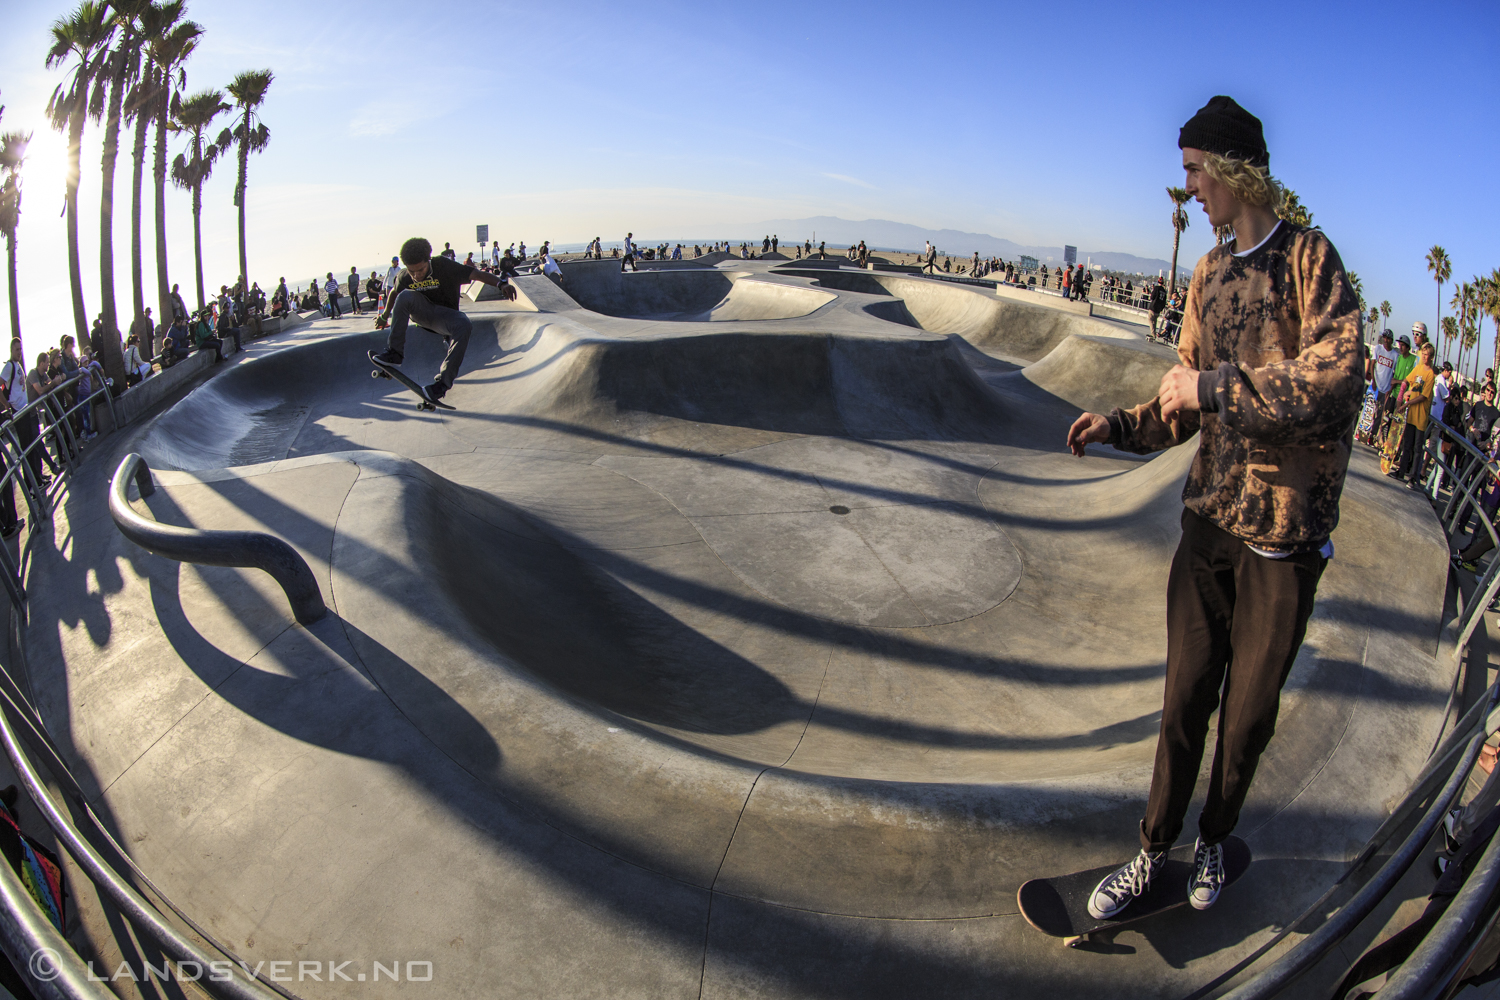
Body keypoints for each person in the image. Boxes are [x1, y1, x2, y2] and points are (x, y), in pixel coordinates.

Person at [1066, 95, 1362, 920]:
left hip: (1283, 541)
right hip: (1210, 525)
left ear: (1232, 169)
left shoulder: (1310, 261)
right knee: (1184, 701)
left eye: (1196, 170)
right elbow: (1181, 401)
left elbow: (1338, 388)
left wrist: (1217, 387)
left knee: (1246, 722)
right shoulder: (1208, 273)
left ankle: (1213, 842)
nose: (1189, 188)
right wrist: (1122, 424)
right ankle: (1151, 849)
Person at [371, 236, 510, 402]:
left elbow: (477, 274)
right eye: (411, 271)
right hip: (422, 315)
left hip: (446, 318)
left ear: (429, 260)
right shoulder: (404, 276)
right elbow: (394, 293)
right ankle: (394, 353)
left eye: (420, 270)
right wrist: (384, 316)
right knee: (404, 295)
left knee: (464, 323)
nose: (416, 275)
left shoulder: (444, 266)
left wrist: (501, 284)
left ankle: (441, 385)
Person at [1394, 343, 1436, 484]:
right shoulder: (1418, 369)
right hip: (1411, 415)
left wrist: (1407, 404)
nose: (1425, 357)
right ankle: (1401, 472)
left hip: (1421, 417)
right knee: (1407, 444)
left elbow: (1423, 396)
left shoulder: (1430, 375)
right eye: (1423, 354)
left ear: (1431, 357)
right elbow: (1407, 380)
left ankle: (1412, 477)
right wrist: (1401, 396)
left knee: (1417, 448)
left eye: (1427, 355)